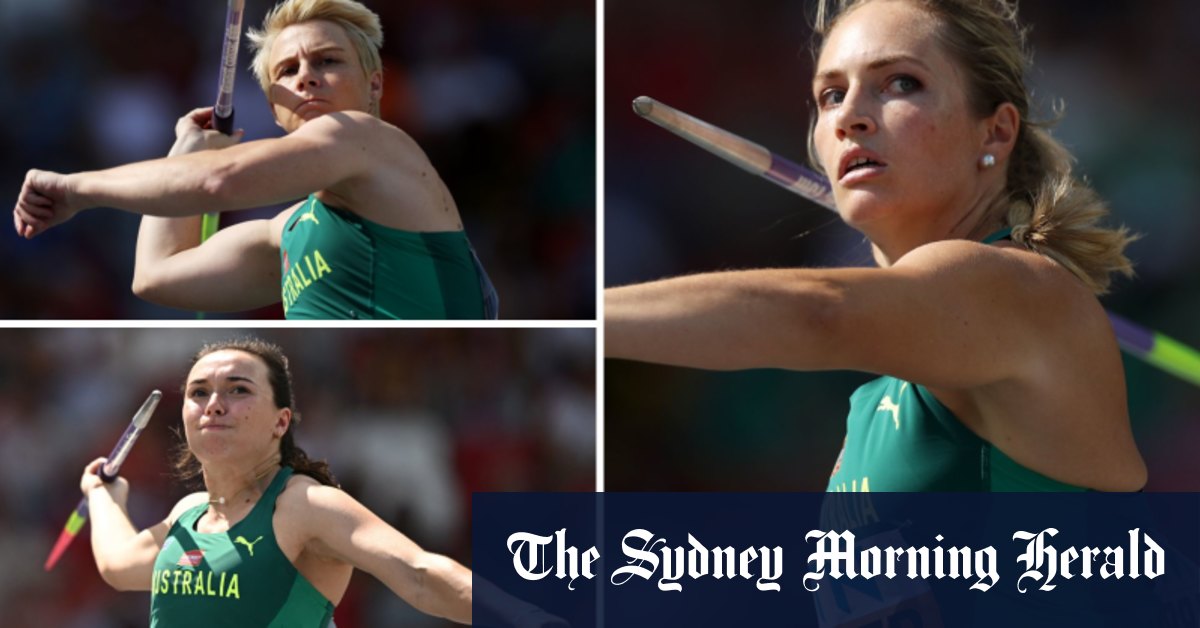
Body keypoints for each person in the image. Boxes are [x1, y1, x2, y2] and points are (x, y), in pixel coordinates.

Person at [606, 0, 1146, 492]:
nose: (850, 117)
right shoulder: (879, 402)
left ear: (996, 133)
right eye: (831, 95)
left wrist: (582, 321)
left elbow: (819, 313)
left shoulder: (1017, 286)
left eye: (901, 83)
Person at [13, 0, 498, 320]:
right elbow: (156, 274)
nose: (306, 78)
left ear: (375, 85)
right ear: (273, 108)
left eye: (328, 61)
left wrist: (76, 189)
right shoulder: (286, 233)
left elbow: (217, 182)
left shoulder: (365, 137)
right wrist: (184, 152)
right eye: (288, 70)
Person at [79, 338, 547, 626]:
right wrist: (103, 495)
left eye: (238, 390)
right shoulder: (189, 515)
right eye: (199, 392)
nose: (214, 404)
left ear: (281, 422)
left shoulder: (304, 506)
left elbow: (420, 574)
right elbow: (119, 565)